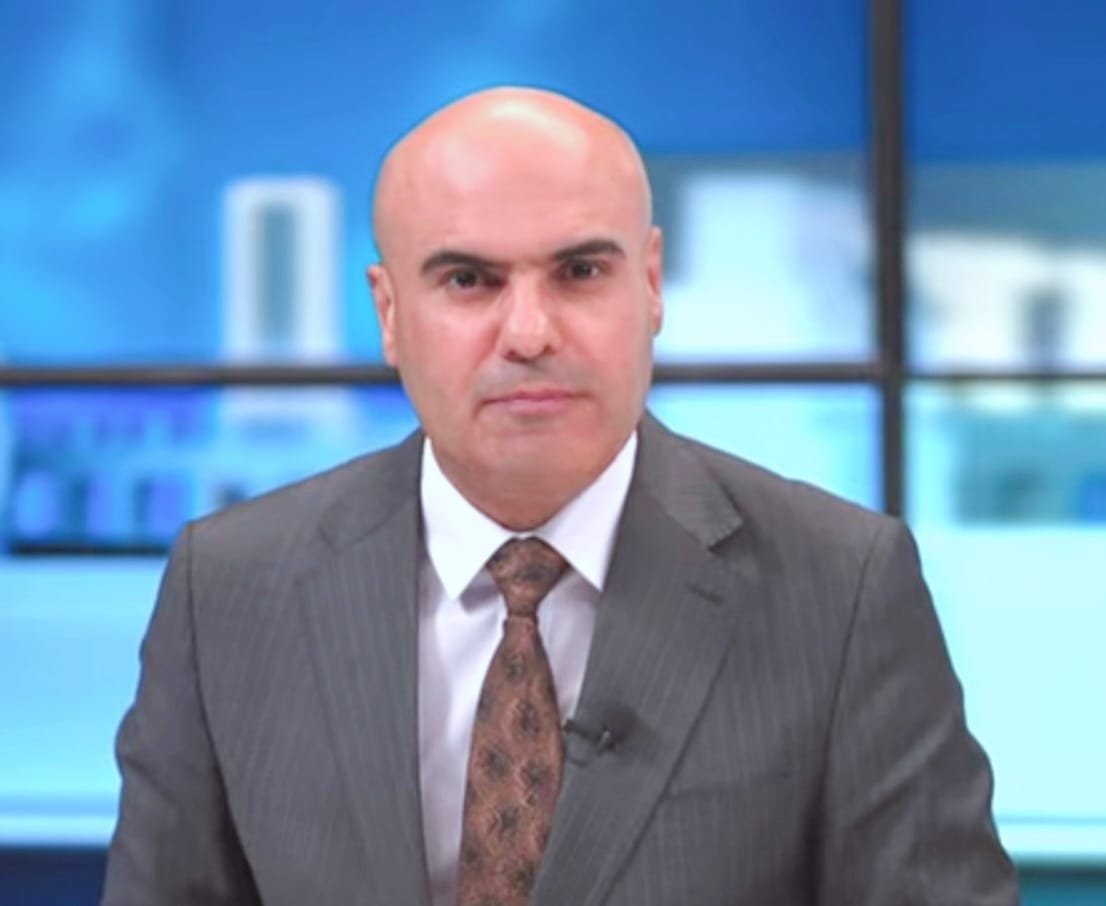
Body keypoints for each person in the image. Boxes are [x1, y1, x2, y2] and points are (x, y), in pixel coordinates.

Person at [102, 87, 1018, 905]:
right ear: (389, 313)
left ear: (649, 285)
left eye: (580, 272)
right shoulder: (228, 589)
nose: (530, 333)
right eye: (469, 281)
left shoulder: (842, 586)